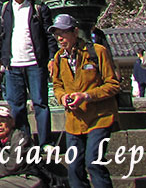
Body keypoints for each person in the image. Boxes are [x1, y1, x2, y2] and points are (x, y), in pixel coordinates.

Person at [50, 14, 120, 188]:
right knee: (73, 168)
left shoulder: (97, 52)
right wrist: (63, 97)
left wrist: (87, 96)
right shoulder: (59, 58)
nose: (60, 38)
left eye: (64, 33)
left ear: (75, 32)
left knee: (94, 163)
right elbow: (57, 86)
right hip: (74, 121)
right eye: (57, 33)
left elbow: (113, 84)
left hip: (100, 117)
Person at [0, 0, 56, 146]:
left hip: (35, 63)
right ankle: (24, 143)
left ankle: (45, 143)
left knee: (40, 104)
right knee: (17, 106)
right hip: (12, 65)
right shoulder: (4, 9)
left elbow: (49, 36)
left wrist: (51, 58)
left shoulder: (39, 8)